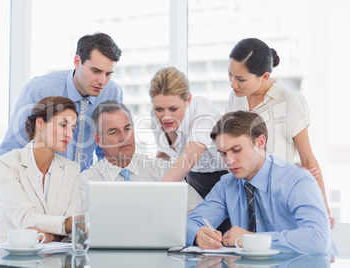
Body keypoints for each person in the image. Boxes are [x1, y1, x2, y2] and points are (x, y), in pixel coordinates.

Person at [0, 32, 123, 231]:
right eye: (95, 71)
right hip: (38, 191)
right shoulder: (39, 90)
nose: (102, 81)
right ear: (77, 61)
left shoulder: (112, 93)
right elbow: (12, 146)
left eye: (108, 74)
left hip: (79, 193)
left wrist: (114, 196)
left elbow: (107, 151)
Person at [186, 111, 335, 254]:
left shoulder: (296, 181)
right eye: (223, 153)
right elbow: (189, 224)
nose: (229, 160)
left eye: (236, 150)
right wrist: (198, 235)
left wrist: (251, 240)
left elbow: (318, 240)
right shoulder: (226, 185)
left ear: (260, 142)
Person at [225, 38, 334, 227]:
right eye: (230, 75)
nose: (233, 84)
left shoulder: (290, 100)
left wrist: (324, 210)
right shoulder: (236, 97)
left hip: (276, 200)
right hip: (242, 196)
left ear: (265, 76)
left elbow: (309, 161)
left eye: (241, 79)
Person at [80, 100, 203, 215]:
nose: (124, 138)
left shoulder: (162, 170)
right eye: (114, 132)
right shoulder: (87, 182)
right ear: (99, 140)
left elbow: (198, 211)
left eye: (127, 129)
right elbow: (81, 226)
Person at [0, 97, 82, 244]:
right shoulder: (6, 164)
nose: (69, 134)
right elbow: (25, 219)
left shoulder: (72, 170)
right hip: (8, 258)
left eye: (72, 128)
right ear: (40, 123)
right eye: (63, 125)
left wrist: (50, 236)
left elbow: (74, 231)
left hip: (55, 261)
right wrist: (69, 224)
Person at [149, 66, 227, 198]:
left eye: (173, 109)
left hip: (221, 181)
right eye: (159, 109)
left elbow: (187, 161)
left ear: (188, 100)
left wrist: (152, 197)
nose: (166, 116)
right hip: (190, 178)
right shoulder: (155, 114)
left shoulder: (203, 116)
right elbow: (164, 152)